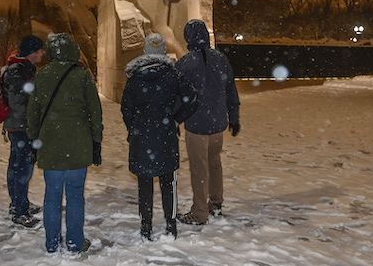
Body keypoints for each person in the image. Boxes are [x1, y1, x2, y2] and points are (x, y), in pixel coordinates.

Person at [26, 33, 103, 253]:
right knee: (75, 196)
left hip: (50, 145)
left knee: (52, 195)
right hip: (78, 145)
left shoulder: (42, 75)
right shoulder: (82, 75)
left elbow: (33, 112)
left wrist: (33, 138)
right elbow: (95, 112)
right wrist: (96, 140)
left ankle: (51, 243)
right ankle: (74, 243)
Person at [121, 33, 198, 241]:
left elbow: (126, 107)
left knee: (144, 184)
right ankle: (170, 225)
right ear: (163, 51)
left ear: (145, 51)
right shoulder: (173, 75)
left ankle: (146, 226)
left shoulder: (135, 77)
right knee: (168, 183)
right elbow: (192, 99)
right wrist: (175, 119)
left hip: (142, 136)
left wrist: (134, 127)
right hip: (165, 134)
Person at [175, 20, 241, 225]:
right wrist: (234, 117)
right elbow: (231, 90)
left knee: (199, 168)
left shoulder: (186, 62)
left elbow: (176, 94)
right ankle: (216, 202)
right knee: (214, 163)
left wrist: (175, 118)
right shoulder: (220, 59)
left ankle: (200, 211)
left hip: (196, 124)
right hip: (217, 123)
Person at [3, 35, 45, 228]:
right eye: (40, 50)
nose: (42, 54)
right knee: (22, 169)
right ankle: (20, 211)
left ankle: (18, 204)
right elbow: (19, 102)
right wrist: (32, 122)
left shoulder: (19, 68)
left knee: (16, 166)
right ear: (32, 52)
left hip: (17, 125)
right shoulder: (18, 71)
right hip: (21, 127)